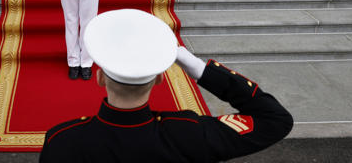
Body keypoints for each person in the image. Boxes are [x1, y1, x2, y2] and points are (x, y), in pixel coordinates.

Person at [40, 9, 293, 162]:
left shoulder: (62, 141)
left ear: (100, 78)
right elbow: (275, 120)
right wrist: (197, 67)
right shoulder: (189, 134)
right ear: (161, 78)